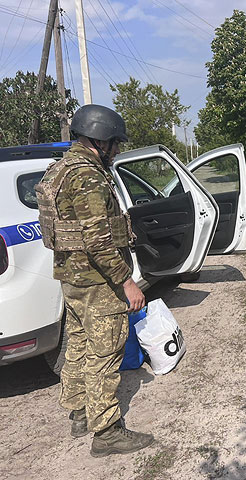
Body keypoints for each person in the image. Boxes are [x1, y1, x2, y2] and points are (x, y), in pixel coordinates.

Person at [35, 104, 154, 457]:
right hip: (97, 283)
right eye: (115, 143)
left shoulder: (61, 169)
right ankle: (106, 433)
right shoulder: (87, 176)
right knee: (105, 354)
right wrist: (127, 282)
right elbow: (98, 240)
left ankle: (80, 414)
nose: (117, 150)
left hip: (72, 280)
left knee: (80, 346)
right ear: (100, 140)